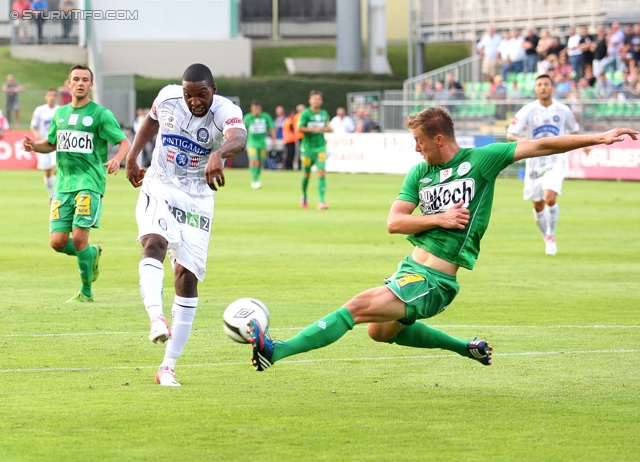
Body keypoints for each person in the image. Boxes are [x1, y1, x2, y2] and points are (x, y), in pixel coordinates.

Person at [246, 106, 638, 372]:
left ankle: (275, 351)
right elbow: (395, 223)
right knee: (379, 331)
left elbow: (541, 145)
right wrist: (440, 218)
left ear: (437, 138)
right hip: (410, 271)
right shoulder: (420, 173)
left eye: (419, 140)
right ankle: (465, 347)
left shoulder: (480, 160)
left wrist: (599, 138)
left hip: (436, 282)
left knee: (358, 306)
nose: (415, 148)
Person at [124, 63, 247, 387]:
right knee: (154, 243)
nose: (194, 102)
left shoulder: (225, 110)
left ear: (213, 90)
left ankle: (168, 367)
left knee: (187, 278)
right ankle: (156, 317)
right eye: (189, 95)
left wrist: (219, 152)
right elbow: (151, 122)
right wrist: (134, 154)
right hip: (161, 184)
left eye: (201, 95)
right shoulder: (167, 98)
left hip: (198, 198)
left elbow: (239, 137)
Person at [22, 64, 131, 303]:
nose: (80, 83)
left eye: (85, 80)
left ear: (91, 85)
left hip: (89, 183)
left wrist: (117, 160)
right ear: (68, 84)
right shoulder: (60, 114)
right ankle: (92, 254)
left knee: (80, 238)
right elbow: (51, 144)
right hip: (63, 185)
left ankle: (86, 292)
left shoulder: (101, 114)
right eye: (76, 79)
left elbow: (124, 142)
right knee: (57, 242)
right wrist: (34, 145)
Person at [506, 74, 581, 256]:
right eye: (539, 84)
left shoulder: (563, 110)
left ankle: (550, 235)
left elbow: (574, 131)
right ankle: (545, 236)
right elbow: (511, 134)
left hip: (556, 160)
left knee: (550, 198)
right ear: (535, 89)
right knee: (538, 205)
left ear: (552, 87)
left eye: (546, 84)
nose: (543, 87)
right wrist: (522, 139)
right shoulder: (528, 110)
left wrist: (584, 146)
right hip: (534, 162)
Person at [298, 91, 332, 210]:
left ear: (321, 101)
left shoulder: (324, 114)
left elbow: (330, 128)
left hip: (320, 148)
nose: (316, 101)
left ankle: (322, 201)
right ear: (310, 101)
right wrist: (313, 129)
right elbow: (299, 128)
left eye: (318, 99)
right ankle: (304, 195)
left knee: (321, 172)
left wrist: (324, 128)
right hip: (307, 149)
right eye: (314, 99)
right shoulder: (305, 113)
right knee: (306, 174)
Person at [30, 88, 59, 201]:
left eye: (54, 95)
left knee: (56, 169)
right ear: (46, 97)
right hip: (43, 144)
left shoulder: (60, 110)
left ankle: (57, 195)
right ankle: (51, 194)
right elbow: (33, 125)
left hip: (56, 144)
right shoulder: (40, 110)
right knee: (47, 173)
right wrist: (36, 133)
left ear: (56, 97)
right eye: (49, 95)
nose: (51, 97)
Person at [243, 100, 276, 189]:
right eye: (254, 108)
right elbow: (242, 130)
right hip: (252, 142)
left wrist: (274, 140)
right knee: (254, 160)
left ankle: (257, 178)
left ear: (260, 108)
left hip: (262, 143)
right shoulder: (248, 118)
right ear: (251, 109)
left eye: (257, 108)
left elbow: (271, 128)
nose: (256, 110)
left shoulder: (266, 117)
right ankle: (255, 180)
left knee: (259, 162)